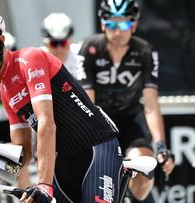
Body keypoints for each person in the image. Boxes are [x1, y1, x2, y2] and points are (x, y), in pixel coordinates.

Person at [0, 5, 123, 203]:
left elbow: (46, 122)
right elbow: (22, 153)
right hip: (64, 162)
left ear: (0, 39)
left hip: (97, 149)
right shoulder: (6, 89)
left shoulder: (29, 59)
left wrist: (43, 184)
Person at [75, 0, 175, 202]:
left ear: (135, 25)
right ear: (103, 24)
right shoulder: (89, 48)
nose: (118, 30)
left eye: (124, 24)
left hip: (130, 118)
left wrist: (161, 146)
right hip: (99, 121)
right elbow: (88, 102)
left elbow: (151, 105)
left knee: (143, 175)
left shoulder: (145, 51)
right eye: (112, 23)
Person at [40, 12, 84, 80]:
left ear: (70, 41)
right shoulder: (37, 59)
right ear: (45, 44)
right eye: (54, 44)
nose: (59, 49)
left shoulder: (81, 54)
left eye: (63, 43)